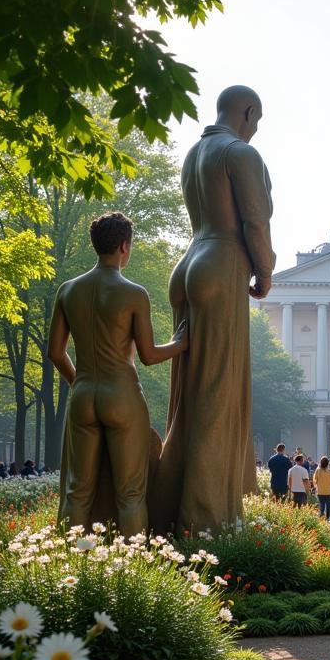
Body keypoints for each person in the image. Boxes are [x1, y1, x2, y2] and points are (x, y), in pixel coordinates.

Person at [151, 85, 274, 535]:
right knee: (217, 397)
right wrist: (265, 270)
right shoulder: (239, 154)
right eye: (256, 121)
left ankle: (167, 509)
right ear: (246, 112)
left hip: (189, 263)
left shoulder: (193, 155)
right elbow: (255, 220)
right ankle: (205, 522)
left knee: (187, 399)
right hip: (222, 264)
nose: (255, 130)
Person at [48, 211, 186, 537]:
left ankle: (66, 561)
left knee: (76, 492)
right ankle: (132, 569)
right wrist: (180, 343)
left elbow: (55, 353)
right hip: (122, 396)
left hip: (83, 396)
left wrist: (79, 382)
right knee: (131, 495)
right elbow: (149, 355)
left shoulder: (68, 291)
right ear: (124, 246)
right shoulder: (134, 293)